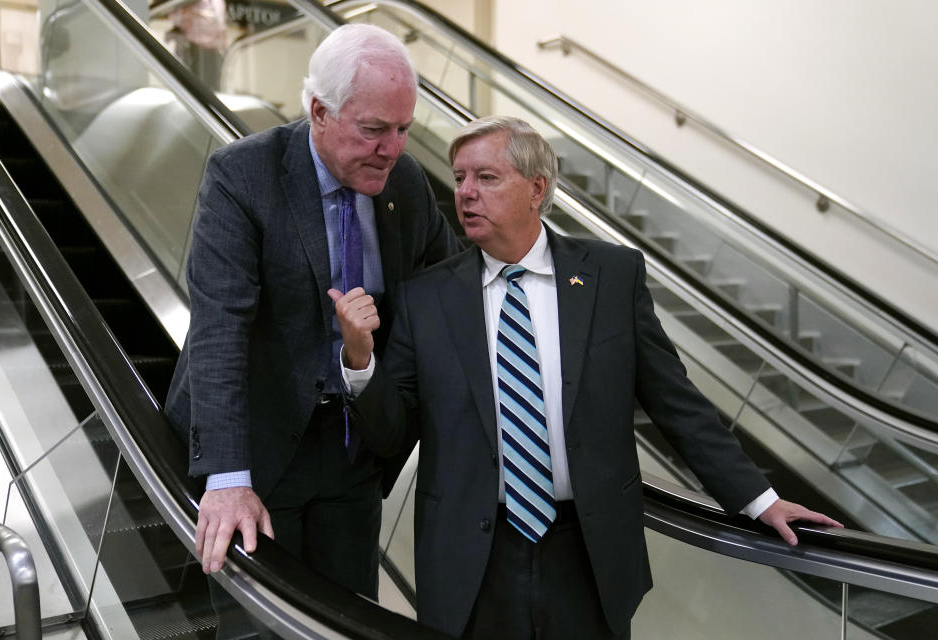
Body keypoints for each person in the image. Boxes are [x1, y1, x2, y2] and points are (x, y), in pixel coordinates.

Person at [331, 116, 842, 639]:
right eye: (460, 178)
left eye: (486, 178)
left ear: (537, 189)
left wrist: (760, 499)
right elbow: (393, 432)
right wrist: (360, 361)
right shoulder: (427, 296)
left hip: (589, 550)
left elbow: (676, 402)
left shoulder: (611, 277)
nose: (465, 193)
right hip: (474, 554)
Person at [164, 22, 460, 611]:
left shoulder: (404, 184)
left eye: (403, 129)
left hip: (354, 451)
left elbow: (447, 297)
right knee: (257, 619)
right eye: (374, 130)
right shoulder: (243, 176)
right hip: (260, 440)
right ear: (320, 111)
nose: (393, 148)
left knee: (346, 614)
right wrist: (227, 481)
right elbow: (219, 329)